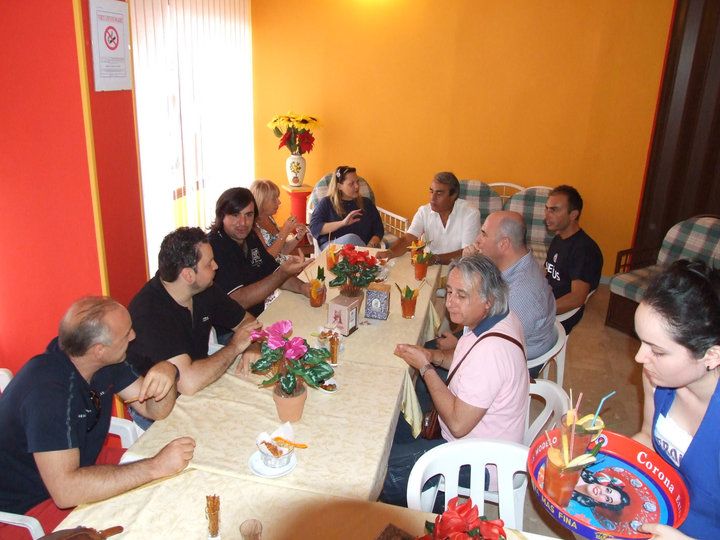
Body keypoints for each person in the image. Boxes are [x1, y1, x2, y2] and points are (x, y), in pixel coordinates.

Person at [0, 297, 195, 535]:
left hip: (81, 465)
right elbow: (65, 492)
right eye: (127, 334)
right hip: (29, 505)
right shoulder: (48, 393)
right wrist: (155, 466)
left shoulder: (102, 361)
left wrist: (168, 371)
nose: (133, 336)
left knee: (181, 483)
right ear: (99, 350)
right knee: (151, 521)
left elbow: (154, 411)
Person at [380, 255, 529, 506]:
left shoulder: (491, 352)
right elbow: (465, 359)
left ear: (488, 300)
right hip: (481, 438)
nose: (450, 303)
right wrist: (433, 356)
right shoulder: (500, 316)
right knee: (387, 426)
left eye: (461, 295)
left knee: (382, 467)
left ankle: (435, 508)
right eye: (449, 291)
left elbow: (458, 424)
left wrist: (425, 367)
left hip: (482, 463)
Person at [127, 227, 260, 428]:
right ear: (188, 275)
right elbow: (188, 383)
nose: (216, 266)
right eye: (209, 263)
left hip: (199, 381)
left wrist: (253, 346)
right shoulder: (149, 312)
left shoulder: (203, 288)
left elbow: (249, 323)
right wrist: (235, 347)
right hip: (159, 409)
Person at [631, 259, 720, 539]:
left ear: (711, 355)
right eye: (641, 341)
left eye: (657, 351)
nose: (640, 358)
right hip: (658, 513)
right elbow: (648, 438)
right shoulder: (657, 377)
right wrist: (605, 464)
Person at [437, 210, 556, 364]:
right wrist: (469, 264)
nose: (477, 240)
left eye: (484, 234)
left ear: (504, 244)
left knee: (424, 366)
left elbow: (491, 346)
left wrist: (459, 345)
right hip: (495, 339)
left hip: (508, 358)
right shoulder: (516, 263)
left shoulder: (519, 294)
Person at [209, 187, 312, 317]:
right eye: (235, 215)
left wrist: (303, 288)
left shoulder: (250, 236)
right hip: (232, 327)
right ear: (221, 216)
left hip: (259, 316)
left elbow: (272, 270)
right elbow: (239, 301)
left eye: (248, 215)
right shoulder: (214, 247)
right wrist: (283, 273)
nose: (243, 222)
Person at [378, 172, 480, 265]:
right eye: (431, 191)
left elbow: (467, 253)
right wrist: (390, 252)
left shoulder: (470, 213)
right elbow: (407, 239)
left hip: (458, 267)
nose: (432, 198)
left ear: (453, 195)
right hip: (430, 266)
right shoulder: (424, 211)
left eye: (439, 193)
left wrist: (436, 259)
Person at [543, 185, 603, 334]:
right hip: (545, 299)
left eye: (554, 210)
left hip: (558, 315)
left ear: (573, 214)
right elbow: (547, 271)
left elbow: (576, 298)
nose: (547, 215)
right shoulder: (559, 238)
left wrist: (541, 310)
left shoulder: (584, 250)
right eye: (547, 209)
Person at [308, 165, 384, 250]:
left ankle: (364, 255)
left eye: (357, 182)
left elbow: (379, 229)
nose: (357, 186)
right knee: (350, 239)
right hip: (332, 250)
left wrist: (371, 245)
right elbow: (314, 228)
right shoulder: (326, 203)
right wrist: (343, 223)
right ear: (339, 186)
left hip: (363, 250)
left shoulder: (367, 203)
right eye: (351, 184)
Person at [250, 179, 307, 263]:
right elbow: (266, 259)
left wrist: (298, 237)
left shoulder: (269, 218)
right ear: (261, 201)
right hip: (272, 270)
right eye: (274, 199)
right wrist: (284, 231)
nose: (279, 202)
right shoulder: (253, 226)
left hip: (282, 264)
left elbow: (282, 251)